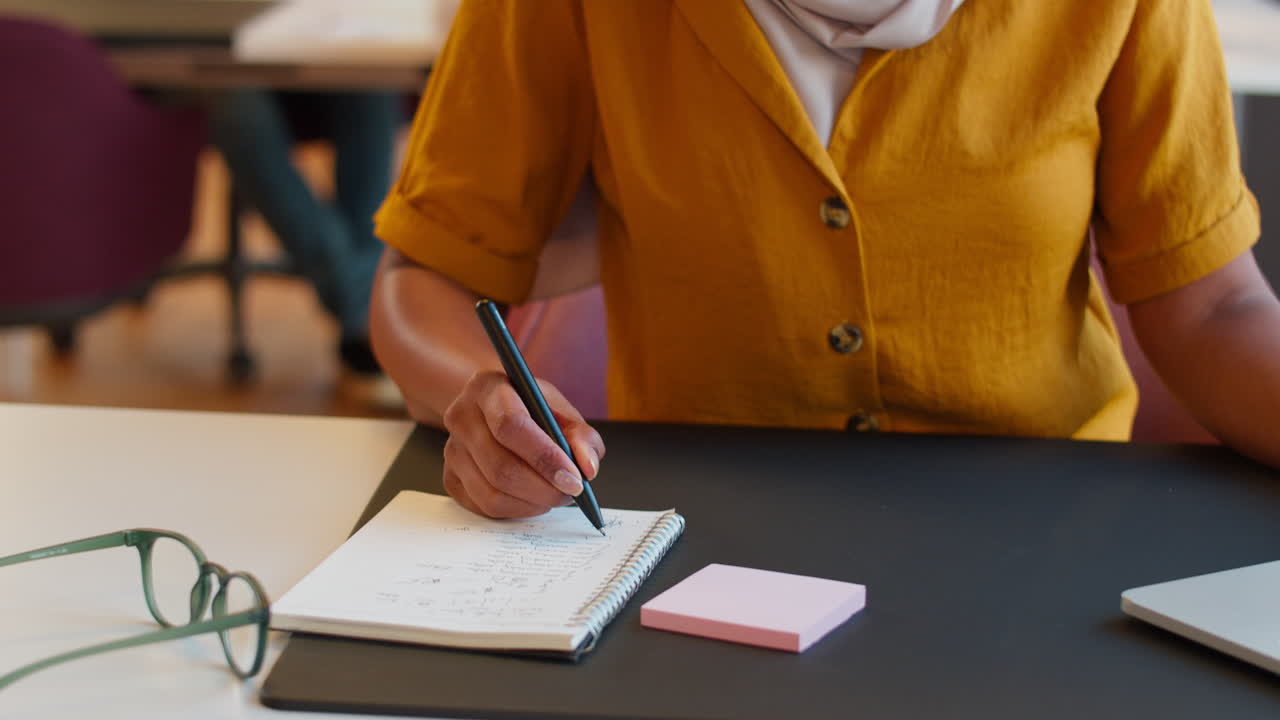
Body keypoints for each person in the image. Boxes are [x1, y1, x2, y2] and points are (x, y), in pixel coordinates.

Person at [367, 0, 1280, 521]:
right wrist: (479, 398)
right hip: (695, 530)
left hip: (1041, 528)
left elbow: (1210, 308)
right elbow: (426, 277)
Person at [210, 89, 402, 377]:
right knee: (240, 112)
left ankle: (371, 312)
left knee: (371, 89)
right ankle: (368, 311)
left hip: (333, 55)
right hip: (226, 68)